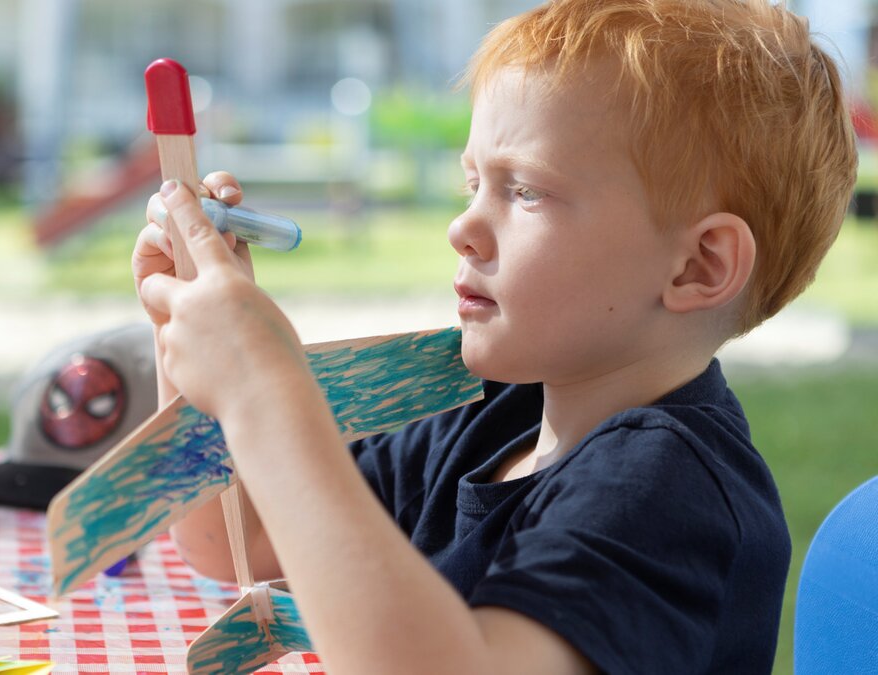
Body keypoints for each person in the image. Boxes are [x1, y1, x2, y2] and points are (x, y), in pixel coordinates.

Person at [130, 0, 856, 672]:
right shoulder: (491, 412)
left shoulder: (665, 489)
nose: (462, 227)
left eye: (525, 190)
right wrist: (192, 332)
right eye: (471, 182)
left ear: (699, 265)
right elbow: (235, 539)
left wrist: (264, 392)